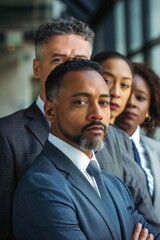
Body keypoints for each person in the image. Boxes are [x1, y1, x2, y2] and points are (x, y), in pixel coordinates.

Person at [0, 19, 158, 240]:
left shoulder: (115, 156)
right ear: (37, 67)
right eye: (58, 60)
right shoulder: (9, 138)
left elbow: (146, 221)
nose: (70, 67)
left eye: (80, 60)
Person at [92, 51, 160, 227]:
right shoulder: (85, 135)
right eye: (108, 81)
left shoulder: (121, 140)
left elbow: (141, 206)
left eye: (124, 85)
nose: (116, 93)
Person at [116, 62, 160, 219]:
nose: (131, 103)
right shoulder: (94, 147)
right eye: (126, 94)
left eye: (140, 98)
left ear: (149, 107)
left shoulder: (157, 150)